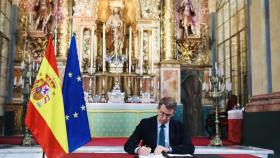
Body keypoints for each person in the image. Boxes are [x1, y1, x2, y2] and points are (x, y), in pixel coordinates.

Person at [124, 97, 195, 156]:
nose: (164, 118)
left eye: (168, 115)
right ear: (158, 109)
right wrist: (138, 150)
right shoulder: (145, 123)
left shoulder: (179, 126)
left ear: (173, 113)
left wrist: (169, 149)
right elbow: (128, 145)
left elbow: (190, 148)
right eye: (162, 113)